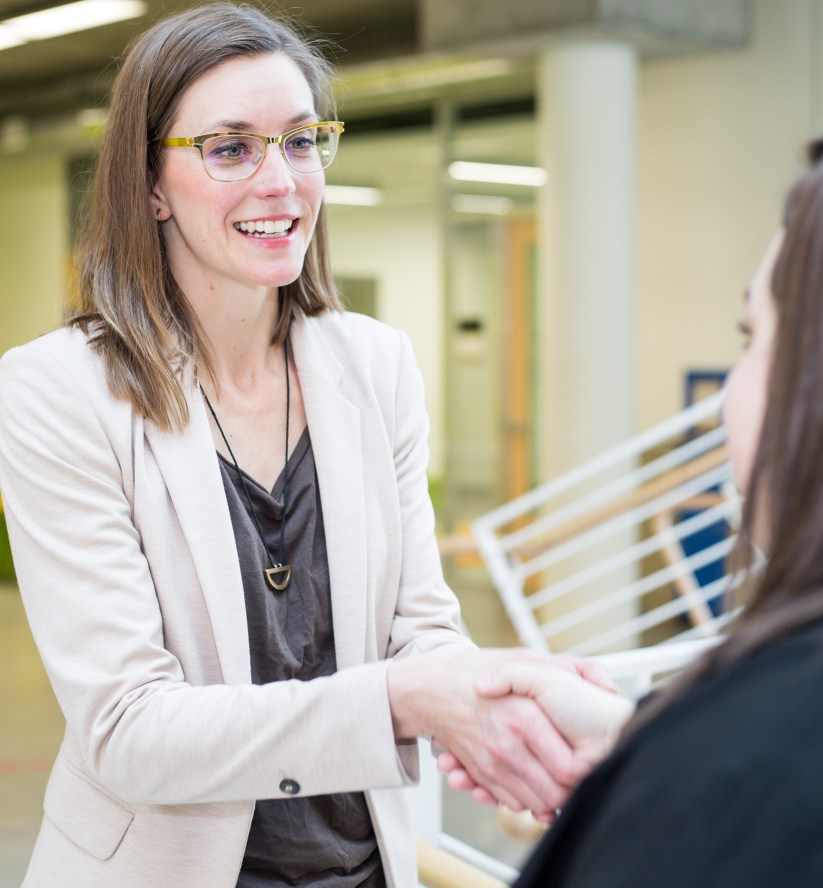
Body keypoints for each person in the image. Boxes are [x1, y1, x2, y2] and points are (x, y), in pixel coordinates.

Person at [0, 4, 612, 886]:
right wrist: (406, 702)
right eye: (230, 148)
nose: (280, 181)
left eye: (300, 141)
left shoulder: (375, 365)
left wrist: (497, 700)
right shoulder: (60, 391)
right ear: (149, 185)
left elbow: (421, 629)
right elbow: (129, 730)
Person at [453, 103, 823, 886]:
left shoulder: (767, 765)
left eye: (754, 337)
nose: (729, 392)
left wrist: (673, 774)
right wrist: (639, 744)